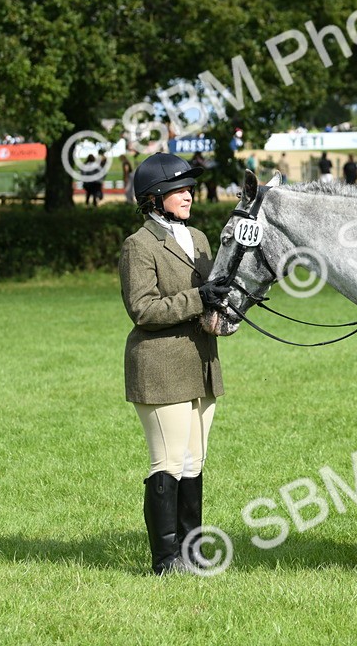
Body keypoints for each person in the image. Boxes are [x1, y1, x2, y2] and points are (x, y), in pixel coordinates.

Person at [119, 153, 231, 575]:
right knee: (166, 462)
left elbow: (213, 293)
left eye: (189, 189)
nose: (188, 196)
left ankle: (191, 552)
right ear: (154, 197)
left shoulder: (199, 238)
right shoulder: (139, 245)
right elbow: (143, 310)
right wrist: (200, 298)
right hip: (160, 364)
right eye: (178, 190)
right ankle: (165, 560)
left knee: (193, 462)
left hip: (201, 363)